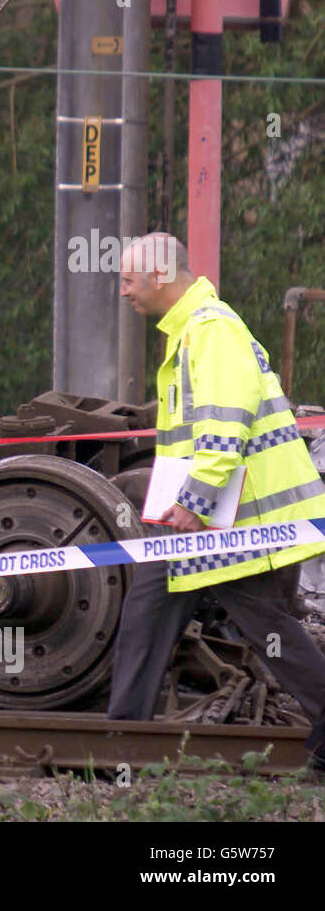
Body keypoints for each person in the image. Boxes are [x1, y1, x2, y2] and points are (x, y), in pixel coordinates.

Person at [111, 232, 325, 765]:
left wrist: (196, 498)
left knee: (264, 624)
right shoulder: (192, 331)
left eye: (128, 280)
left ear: (160, 275)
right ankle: (119, 741)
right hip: (213, 519)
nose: (123, 292)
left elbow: (227, 418)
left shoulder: (211, 328)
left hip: (228, 517)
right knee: (149, 612)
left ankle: (118, 742)